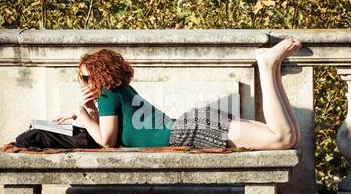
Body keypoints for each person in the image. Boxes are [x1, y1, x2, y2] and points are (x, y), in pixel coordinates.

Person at [16, 38, 302, 150]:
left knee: (283, 138)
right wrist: (89, 111)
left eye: (86, 76)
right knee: (289, 137)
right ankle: (272, 66)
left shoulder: (108, 95)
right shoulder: (116, 93)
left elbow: (107, 142)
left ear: (101, 75)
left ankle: (266, 64)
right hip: (191, 125)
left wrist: (80, 112)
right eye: (81, 78)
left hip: (188, 132)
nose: (82, 81)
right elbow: (116, 130)